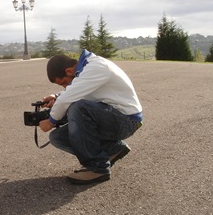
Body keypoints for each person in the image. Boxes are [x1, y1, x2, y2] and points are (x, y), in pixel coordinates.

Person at [39, 50, 143, 184]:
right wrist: (57, 96)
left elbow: (69, 98)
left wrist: (51, 122)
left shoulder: (96, 67)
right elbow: (76, 90)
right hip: (112, 117)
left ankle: (98, 168)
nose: (65, 87)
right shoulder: (85, 69)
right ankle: (113, 149)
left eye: (63, 83)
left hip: (127, 121)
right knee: (57, 138)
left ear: (69, 71)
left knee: (79, 107)